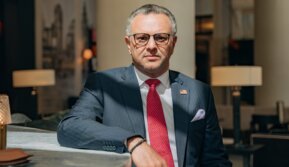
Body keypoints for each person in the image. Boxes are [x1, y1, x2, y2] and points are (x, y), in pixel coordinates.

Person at [57, 4, 231, 167]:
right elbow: (70, 128)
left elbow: (215, 159)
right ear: (129, 44)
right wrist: (132, 142)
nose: (151, 46)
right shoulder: (103, 84)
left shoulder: (199, 92)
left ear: (173, 43)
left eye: (161, 38)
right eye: (142, 38)